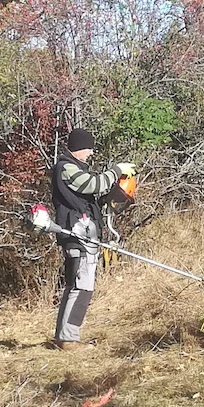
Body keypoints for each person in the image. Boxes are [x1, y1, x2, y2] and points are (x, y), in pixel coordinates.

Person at [49, 127, 134, 350]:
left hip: (84, 233)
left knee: (75, 286)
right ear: (80, 148)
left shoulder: (73, 167)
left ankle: (65, 337)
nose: (90, 153)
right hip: (77, 234)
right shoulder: (66, 167)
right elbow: (92, 184)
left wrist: (112, 196)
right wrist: (117, 171)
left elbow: (89, 194)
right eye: (88, 149)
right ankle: (69, 340)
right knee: (82, 287)